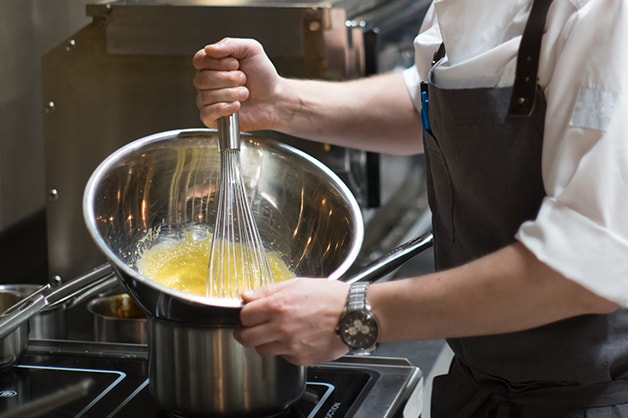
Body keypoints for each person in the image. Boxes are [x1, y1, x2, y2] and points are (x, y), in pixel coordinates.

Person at [192, 0, 628, 416]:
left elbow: (586, 268)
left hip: (591, 401)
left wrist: (356, 313)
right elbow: (422, 100)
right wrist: (283, 103)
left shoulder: (604, 15)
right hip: (480, 385)